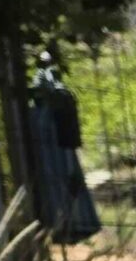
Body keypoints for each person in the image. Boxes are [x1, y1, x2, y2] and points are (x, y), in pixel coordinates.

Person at [26, 50, 101, 243]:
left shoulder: (55, 101)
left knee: (65, 184)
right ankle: (61, 225)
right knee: (58, 185)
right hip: (50, 151)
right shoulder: (40, 109)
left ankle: (69, 225)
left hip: (60, 149)